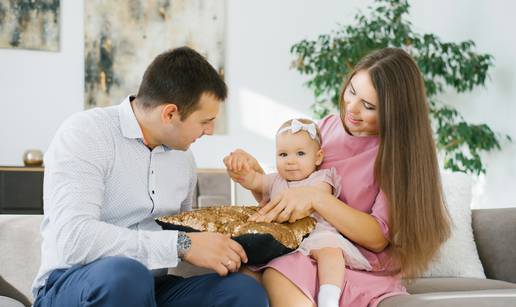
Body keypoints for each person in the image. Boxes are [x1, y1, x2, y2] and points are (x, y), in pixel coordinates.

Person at [32, 47, 268, 307]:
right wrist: (181, 244)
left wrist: (259, 191)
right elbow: (75, 240)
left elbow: (191, 236)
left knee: (242, 290)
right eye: (205, 121)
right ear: (169, 113)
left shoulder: (184, 159)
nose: (210, 131)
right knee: (126, 277)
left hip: (152, 288)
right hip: (74, 285)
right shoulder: (86, 134)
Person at [224, 48, 451, 307]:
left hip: (350, 261)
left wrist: (316, 199)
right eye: (352, 91)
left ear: (394, 114)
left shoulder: (397, 156)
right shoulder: (326, 127)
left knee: (279, 274)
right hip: (300, 245)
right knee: (239, 276)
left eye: (368, 106)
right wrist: (256, 178)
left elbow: (377, 238)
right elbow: (292, 190)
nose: (351, 110)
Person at [225, 118, 373, 307]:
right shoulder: (275, 180)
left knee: (331, 252)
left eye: (300, 153)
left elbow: (318, 196)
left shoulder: (321, 178)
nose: (291, 161)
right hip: (286, 238)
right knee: (255, 263)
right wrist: (242, 173)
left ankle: (329, 297)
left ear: (318, 157)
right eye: (283, 154)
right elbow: (256, 181)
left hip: (317, 232)